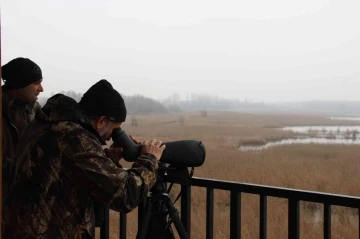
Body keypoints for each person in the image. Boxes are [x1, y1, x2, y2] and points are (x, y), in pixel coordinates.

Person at [3, 79, 165, 239]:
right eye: (114, 129)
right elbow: (125, 195)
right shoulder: (75, 137)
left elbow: (61, 169)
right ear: (102, 120)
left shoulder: (47, 123)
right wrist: (149, 158)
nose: (110, 137)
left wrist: (106, 159)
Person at [1, 57, 44, 203]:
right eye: (36, 83)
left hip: (22, 208)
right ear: (20, 84)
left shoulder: (34, 111)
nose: (41, 88)